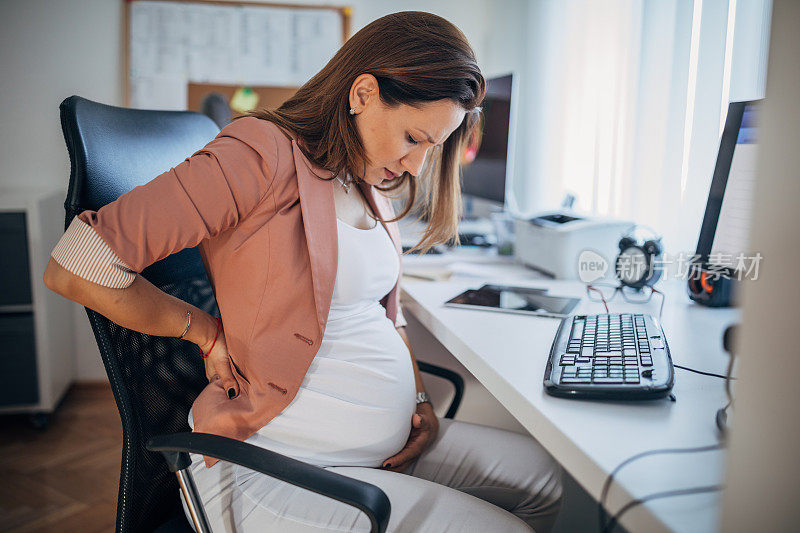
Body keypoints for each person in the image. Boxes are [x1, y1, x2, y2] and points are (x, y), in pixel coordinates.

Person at [44, 11, 562, 532]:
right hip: (275, 465)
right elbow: (76, 266)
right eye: (412, 138)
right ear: (362, 94)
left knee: (549, 481)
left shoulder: (359, 174)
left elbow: (385, 316)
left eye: (434, 147)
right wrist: (200, 330)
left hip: (376, 449)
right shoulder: (259, 154)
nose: (417, 166)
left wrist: (420, 395)